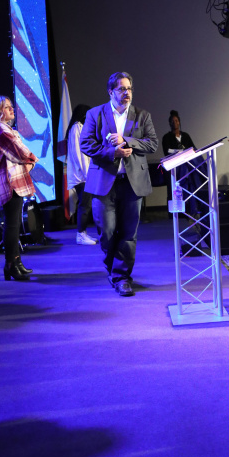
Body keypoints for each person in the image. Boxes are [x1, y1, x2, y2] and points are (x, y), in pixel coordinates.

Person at [80, 71, 158, 297]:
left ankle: (122, 277)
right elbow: (86, 144)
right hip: (104, 182)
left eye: (129, 89)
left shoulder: (142, 115)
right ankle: (113, 267)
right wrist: (111, 152)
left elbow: (152, 144)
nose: (127, 93)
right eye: (122, 89)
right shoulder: (95, 114)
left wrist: (127, 141)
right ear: (110, 91)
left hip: (132, 183)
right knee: (106, 231)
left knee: (128, 233)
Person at [0, 95, 39, 281]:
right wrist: (32, 159)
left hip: (14, 179)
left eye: (10, 106)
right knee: (12, 224)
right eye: (6, 107)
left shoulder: (5, 128)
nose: (11, 109)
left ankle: (16, 262)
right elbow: (18, 151)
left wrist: (28, 163)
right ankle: (11, 264)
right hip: (9, 181)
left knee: (13, 224)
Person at [66, 104, 97, 245]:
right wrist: (87, 174)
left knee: (87, 204)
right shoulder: (76, 128)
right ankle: (81, 234)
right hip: (82, 175)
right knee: (85, 205)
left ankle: (83, 233)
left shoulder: (80, 127)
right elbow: (78, 154)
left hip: (84, 174)